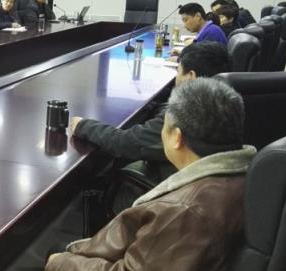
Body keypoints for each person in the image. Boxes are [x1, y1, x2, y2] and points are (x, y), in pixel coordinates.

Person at [0, 77, 255, 271]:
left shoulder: (187, 211)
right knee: (60, 250)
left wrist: (60, 264)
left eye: (164, 127)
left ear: (177, 138)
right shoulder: (242, 176)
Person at [70, 41, 230, 188]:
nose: (176, 76)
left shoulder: (187, 114)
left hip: (171, 187)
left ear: (191, 76)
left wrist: (83, 125)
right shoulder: (226, 103)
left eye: (178, 70)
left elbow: (127, 143)